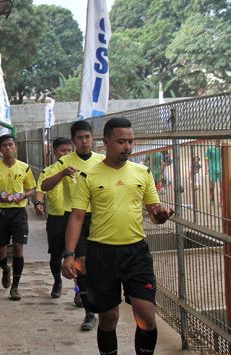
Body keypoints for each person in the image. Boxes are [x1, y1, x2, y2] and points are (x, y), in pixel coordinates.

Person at [62, 116, 174, 355]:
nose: (128, 147)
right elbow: (77, 217)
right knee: (108, 317)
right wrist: (69, 254)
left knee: (146, 316)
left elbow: (154, 212)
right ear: (106, 142)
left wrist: (161, 215)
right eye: (122, 141)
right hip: (101, 253)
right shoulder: (88, 176)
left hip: (136, 252)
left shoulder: (142, 172)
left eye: (131, 142)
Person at [40, 120, 104, 331]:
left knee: (100, 265)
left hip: (99, 218)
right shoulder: (64, 162)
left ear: (92, 138)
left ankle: (96, 300)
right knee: (81, 264)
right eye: (80, 138)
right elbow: (44, 185)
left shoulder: (102, 161)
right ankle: (89, 312)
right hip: (74, 218)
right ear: (74, 140)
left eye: (87, 137)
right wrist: (61, 174)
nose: (84, 141)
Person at [0, 134, 37, 301]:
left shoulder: (24, 168)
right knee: (1, 251)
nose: (7, 148)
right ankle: (6, 269)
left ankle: (15, 287)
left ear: (15, 147)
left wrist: (24, 195)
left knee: (19, 248)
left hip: (19, 213)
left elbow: (31, 189)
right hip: (1, 213)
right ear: (0, 149)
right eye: (4, 145)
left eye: (10, 145)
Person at [34, 137, 73, 299]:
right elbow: (40, 190)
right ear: (55, 152)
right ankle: (57, 281)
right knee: (55, 255)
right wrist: (38, 203)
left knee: (76, 254)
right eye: (63, 150)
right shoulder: (48, 171)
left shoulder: (77, 169)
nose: (66, 153)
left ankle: (79, 290)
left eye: (69, 150)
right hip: (56, 218)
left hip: (74, 217)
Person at [205, 140, 222, 205]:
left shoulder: (222, 148)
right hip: (212, 169)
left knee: (222, 186)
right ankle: (212, 200)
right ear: (214, 141)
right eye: (217, 141)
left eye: (219, 141)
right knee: (212, 186)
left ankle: (221, 201)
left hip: (220, 169)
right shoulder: (210, 149)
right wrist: (206, 168)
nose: (218, 142)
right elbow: (206, 159)